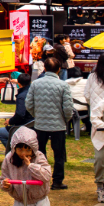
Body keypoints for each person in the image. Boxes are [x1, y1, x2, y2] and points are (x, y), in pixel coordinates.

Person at [26, 56, 73, 190]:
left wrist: (37, 115)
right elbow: (68, 107)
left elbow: (29, 104)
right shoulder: (63, 85)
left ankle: (40, 177)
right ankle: (57, 181)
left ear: (45, 68)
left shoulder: (35, 84)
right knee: (59, 154)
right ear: (59, 69)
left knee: (40, 152)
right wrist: (65, 119)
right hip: (58, 125)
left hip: (40, 124)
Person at [0, 73, 33, 152]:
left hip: (23, 127)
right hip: (34, 126)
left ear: (19, 84)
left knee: (1, 132)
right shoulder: (33, 92)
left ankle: (13, 153)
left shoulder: (21, 97)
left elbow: (20, 115)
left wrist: (10, 121)